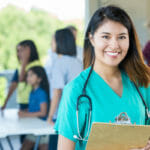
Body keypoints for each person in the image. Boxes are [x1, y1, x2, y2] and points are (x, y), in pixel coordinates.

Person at [54, 5, 150, 150]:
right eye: (106, 36)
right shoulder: (76, 91)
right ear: (91, 39)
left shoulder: (142, 83)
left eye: (122, 37)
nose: (114, 45)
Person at [47, 28, 82, 149]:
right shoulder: (77, 62)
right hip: (77, 113)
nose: (51, 43)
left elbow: (57, 92)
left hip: (62, 115)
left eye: (53, 40)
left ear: (60, 42)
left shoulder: (59, 63)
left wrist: (50, 116)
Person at [2, 40, 41, 111]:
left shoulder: (36, 65)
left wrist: (24, 61)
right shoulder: (20, 67)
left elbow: (21, 79)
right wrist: (5, 102)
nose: (19, 53)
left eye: (22, 50)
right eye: (18, 51)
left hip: (33, 102)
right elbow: (14, 84)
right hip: (22, 102)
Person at [19, 66, 49, 150]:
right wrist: (25, 111)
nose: (28, 78)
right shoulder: (32, 92)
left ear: (39, 79)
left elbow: (43, 112)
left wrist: (25, 114)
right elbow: (34, 108)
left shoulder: (41, 93)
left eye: (31, 75)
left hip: (42, 128)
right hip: (34, 127)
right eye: (27, 75)